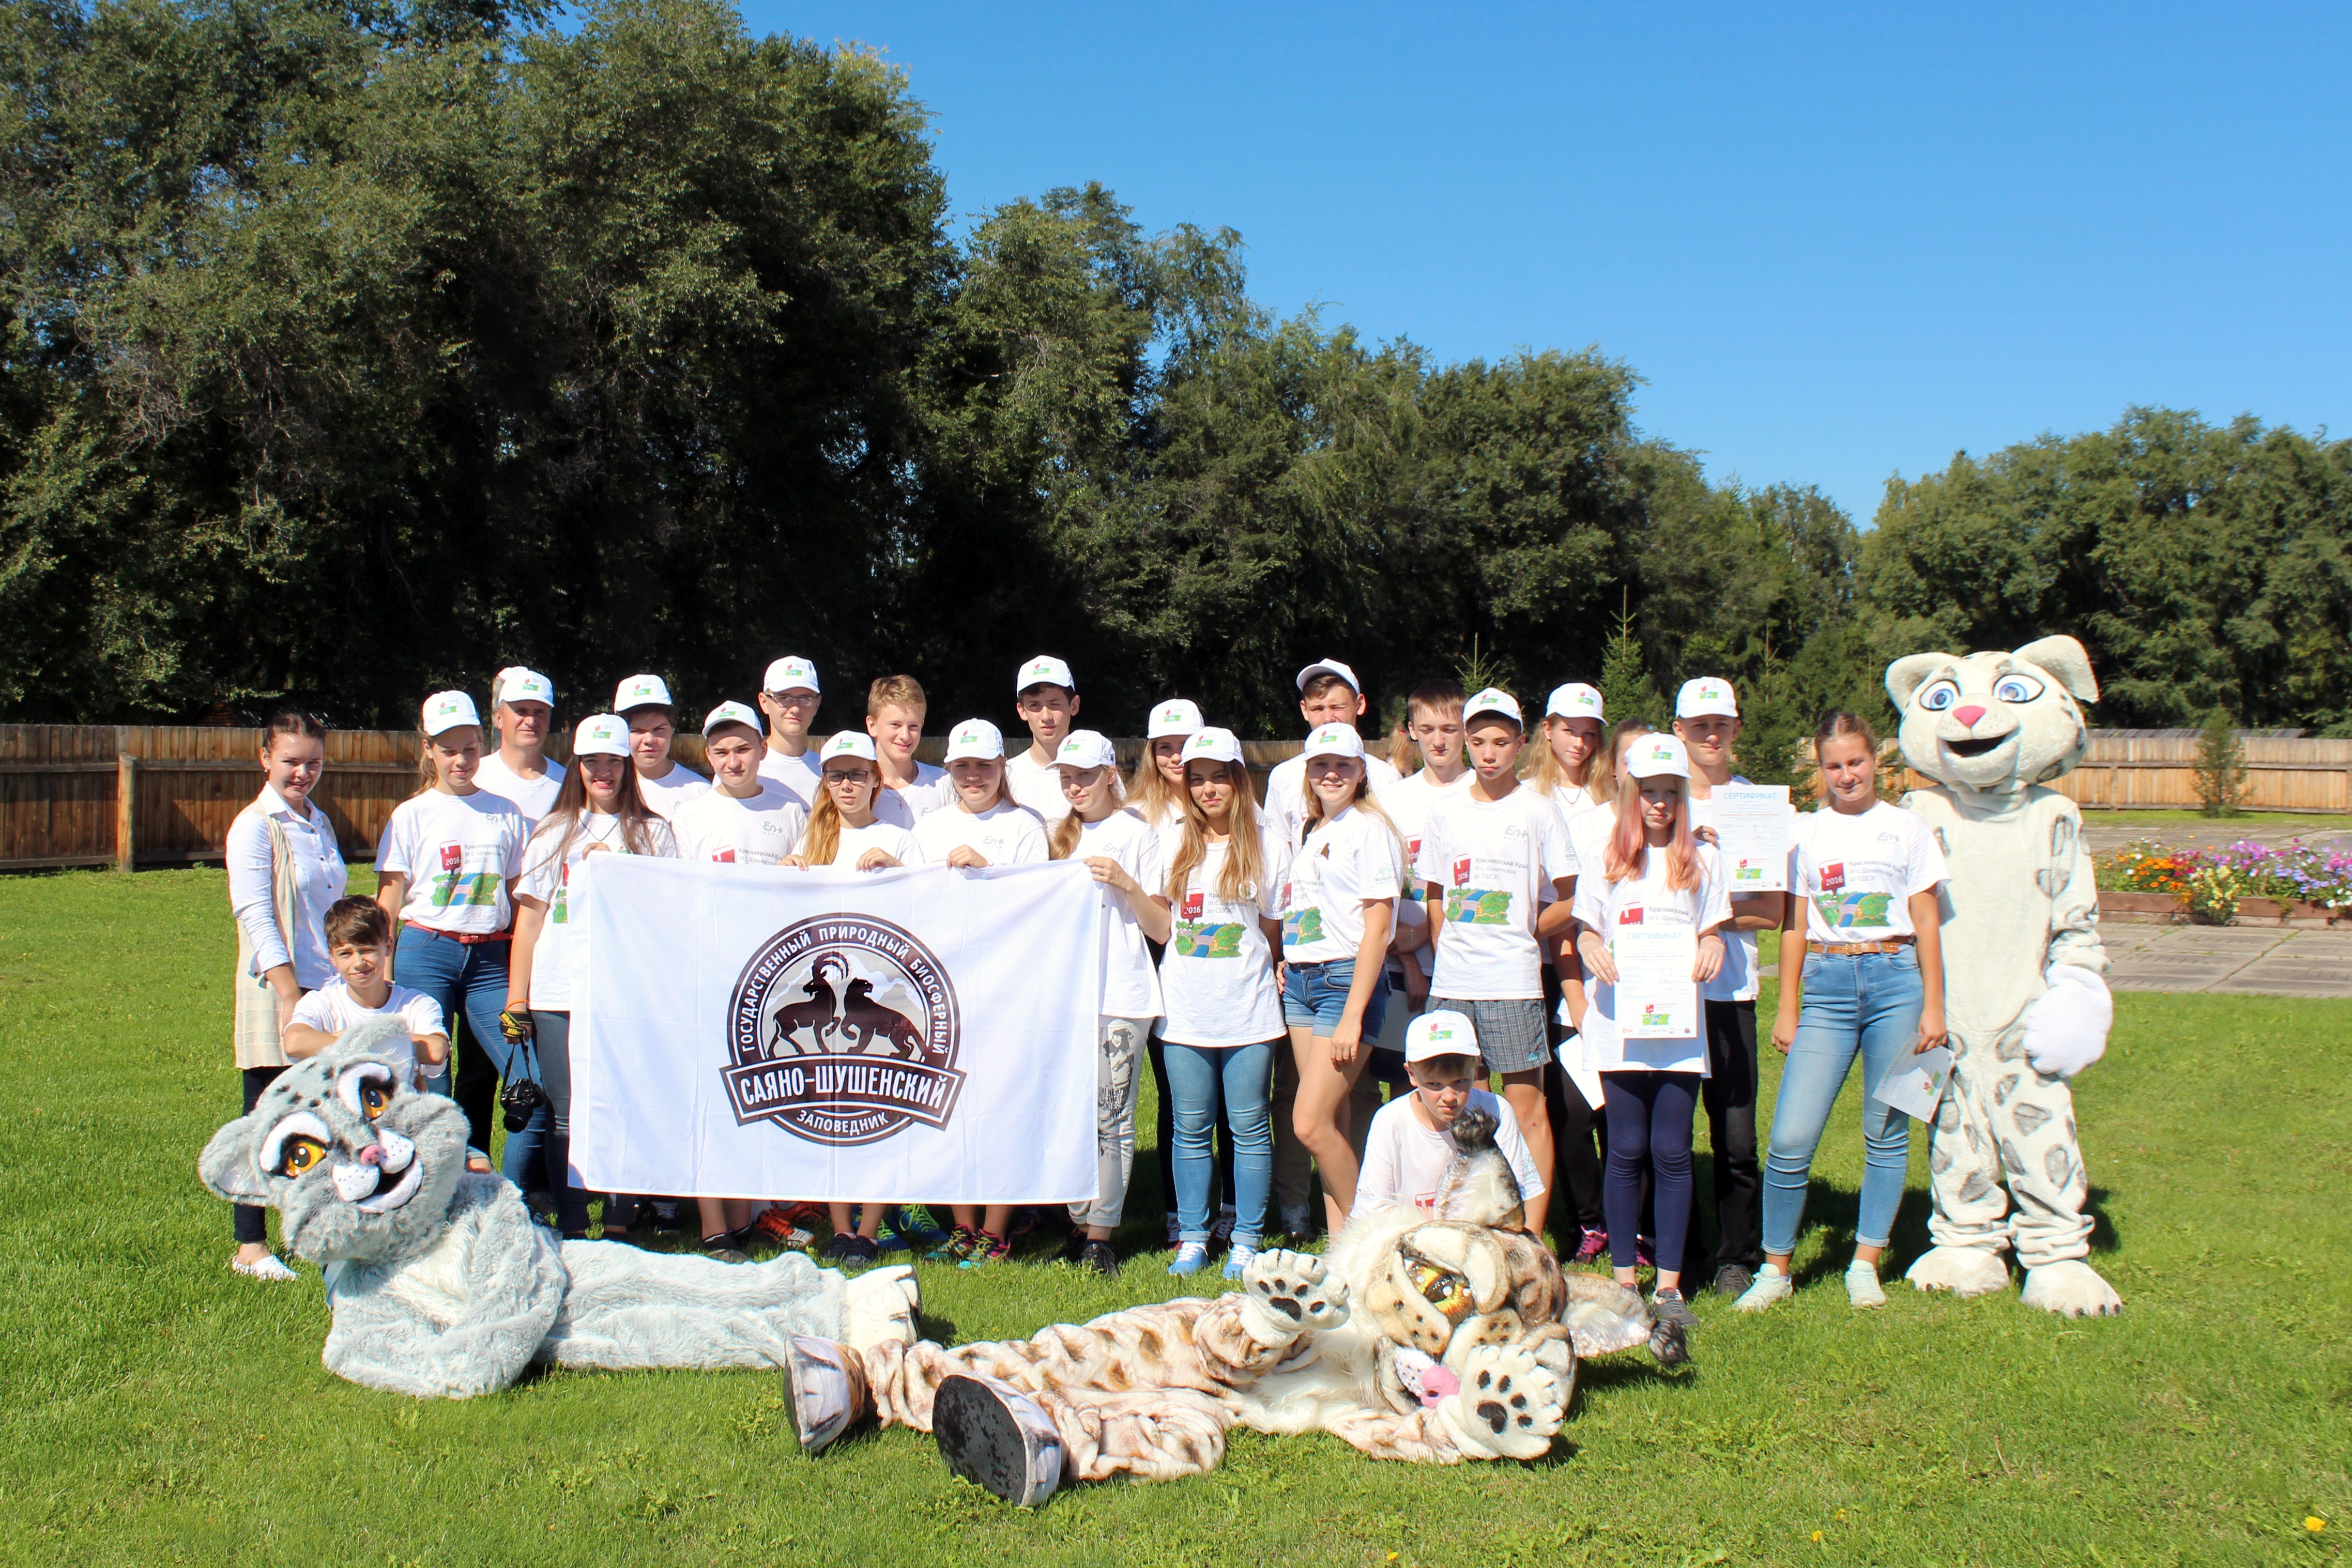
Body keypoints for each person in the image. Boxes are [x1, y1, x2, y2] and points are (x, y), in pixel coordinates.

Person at [1739, 713, 1950, 1313]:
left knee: (1885, 1130)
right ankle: (1774, 1269)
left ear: (1874, 760)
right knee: (1789, 1136)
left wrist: (1932, 1005)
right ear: (1820, 767)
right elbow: (1794, 924)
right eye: (1833, 765)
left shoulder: (1906, 829)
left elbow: (1928, 919)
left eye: (1855, 761)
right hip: (1827, 986)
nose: (1845, 774)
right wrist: (1787, 1007)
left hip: (1896, 982)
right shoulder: (1805, 832)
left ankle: (1865, 1261)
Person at [1568, 733, 1730, 1334]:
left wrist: (1711, 942)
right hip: (1619, 1023)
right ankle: (1620, 1280)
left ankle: (1667, 1285)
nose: (1658, 804)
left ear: (1681, 796)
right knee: (1625, 1149)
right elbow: (1584, 928)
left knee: (1671, 1150)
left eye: (1669, 793)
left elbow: (1714, 927)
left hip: (1678, 1028)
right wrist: (1590, 945)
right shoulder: (1607, 855)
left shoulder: (1700, 861)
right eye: (1648, 793)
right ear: (1630, 794)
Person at [504, 713, 679, 1240]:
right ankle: (575, 1224)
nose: (603, 772)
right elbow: (530, 920)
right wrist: (518, 998)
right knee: (566, 1113)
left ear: (628, 767)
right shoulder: (554, 833)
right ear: (576, 766)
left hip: (627, 993)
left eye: (613, 761)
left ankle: (621, 1222)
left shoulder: (653, 832)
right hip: (560, 992)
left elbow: (667, 919)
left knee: (623, 1105)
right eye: (592, 762)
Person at [1414, 688, 1574, 1239]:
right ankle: (1471, 1226)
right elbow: (1435, 893)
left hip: (1512, 982)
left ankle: (1529, 1233)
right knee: (1460, 1111)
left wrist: (1526, 929)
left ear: (1520, 744)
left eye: (1500, 742)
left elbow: (1569, 898)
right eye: (1477, 740)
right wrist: (1445, 945)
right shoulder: (1444, 810)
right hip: (1454, 984)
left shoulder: (1537, 809)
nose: (1487, 753)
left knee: (1525, 1109)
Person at [910, 718, 1049, 1267]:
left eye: (984, 766)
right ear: (949, 770)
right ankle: (961, 1225)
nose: (973, 776)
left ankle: (997, 1227)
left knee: (1002, 1105)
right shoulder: (929, 826)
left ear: (1001, 768)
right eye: (963, 766)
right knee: (951, 1104)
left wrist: (989, 871)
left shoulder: (1023, 825)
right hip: (943, 985)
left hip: (1006, 986)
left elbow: (1040, 903)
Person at [375, 691, 531, 1180]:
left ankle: (518, 1198)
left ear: (482, 744)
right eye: (448, 750)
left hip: (490, 961)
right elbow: (390, 897)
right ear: (428, 749)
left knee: (526, 1078)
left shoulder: (506, 812)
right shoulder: (411, 814)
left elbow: (520, 896)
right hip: (427, 952)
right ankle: (429, 1191)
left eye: (469, 747)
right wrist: (382, 973)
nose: (461, 760)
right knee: (429, 1077)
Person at [785, 730, 927, 1263]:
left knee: (882, 1109)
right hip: (825, 996)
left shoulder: (901, 838)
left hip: (884, 990)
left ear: (876, 780)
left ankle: (870, 1226)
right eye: (836, 775)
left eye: (857, 774)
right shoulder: (811, 840)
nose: (847, 785)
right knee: (831, 1110)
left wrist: (898, 873)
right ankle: (840, 1227)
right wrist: (786, 877)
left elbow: (928, 907)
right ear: (824, 782)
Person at [1154, 728, 1286, 1279]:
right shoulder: (1171, 840)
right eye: (1198, 778)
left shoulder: (1267, 841)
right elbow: (1162, 924)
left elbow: (1273, 926)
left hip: (1248, 1009)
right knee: (1189, 1125)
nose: (1209, 789)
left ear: (1239, 778)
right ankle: (1192, 1235)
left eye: (1219, 777)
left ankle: (1248, 1238)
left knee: (1248, 1125)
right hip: (1183, 1009)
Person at [224, 709, 348, 1279]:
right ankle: (249, 1244)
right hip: (276, 985)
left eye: (313, 762)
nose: (302, 772)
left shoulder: (317, 820)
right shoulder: (255, 824)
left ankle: (304, 1227)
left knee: (317, 1111)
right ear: (265, 758)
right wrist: (284, 990)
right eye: (291, 761)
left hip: (323, 987)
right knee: (265, 1112)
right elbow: (255, 913)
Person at [1672, 677, 1784, 1299]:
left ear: (1735, 730)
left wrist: (1697, 914)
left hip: (1730, 992)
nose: (1710, 734)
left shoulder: (1754, 805)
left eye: (1721, 724)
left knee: (1735, 1139)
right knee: (1671, 1136)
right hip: (1666, 990)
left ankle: (1735, 1255)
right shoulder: (1658, 800)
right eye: (1698, 724)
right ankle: (1679, 1253)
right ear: (1678, 729)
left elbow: (1767, 908)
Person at [1047, 730, 1169, 1277]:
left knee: (1112, 1115)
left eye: (1085, 775)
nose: (1075, 786)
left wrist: (1125, 882)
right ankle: (1078, 1222)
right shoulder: (1059, 837)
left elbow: (1162, 927)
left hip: (1122, 989)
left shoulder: (1137, 835)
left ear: (1110, 774)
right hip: (1068, 993)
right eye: (1066, 777)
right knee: (1071, 1113)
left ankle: (1102, 1234)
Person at [1279, 721, 1403, 1237]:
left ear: (1360, 773)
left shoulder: (1370, 829)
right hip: (1302, 984)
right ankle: (1340, 1250)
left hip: (1344, 984)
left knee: (1307, 1122)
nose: (1331, 774)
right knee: (1327, 1125)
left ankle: (1370, 1237)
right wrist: (1291, 951)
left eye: (1343, 765)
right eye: (1320, 766)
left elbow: (1378, 929)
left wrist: (1353, 1014)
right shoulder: (1312, 830)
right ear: (1308, 773)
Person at [1125, 697, 1226, 1247]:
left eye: (1182, 747)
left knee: (1224, 1090)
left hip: (1209, 952)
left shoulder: (1218, 803)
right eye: (1163, 747)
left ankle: (1229, 1208)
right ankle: (1176, 1211)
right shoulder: (1134, 807)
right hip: (1150, 950)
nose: (1172, 757)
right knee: (1173, 1090)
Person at [1531, 682, 1611, 1258]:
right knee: (1559, 1103)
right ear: (1547, 730)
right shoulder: (1528, 796)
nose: (1578, 741)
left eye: (1588, 732)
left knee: (1605, 1097)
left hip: (1597, 961)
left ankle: (1618, 1213)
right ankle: (1583, 1218)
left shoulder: (1613, 798)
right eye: (1567, 729)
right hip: (1534, 962)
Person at [1354, 1010, 1546, 1220]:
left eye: (1460, 1082)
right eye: (1434, 1085)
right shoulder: (1390, 1120)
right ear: (1411, 1074)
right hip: (1410, 1238)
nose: (1449, 1097)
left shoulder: (1496, 1111)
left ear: (1476, 1070)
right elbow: (1371, 1210)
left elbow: (1522, 1195)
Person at [283, 896, 448, 1088]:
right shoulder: (320, 1002)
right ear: (332, 958)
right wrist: (392, 1042)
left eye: (367, 950)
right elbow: (295, 1042)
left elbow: (436, 1050)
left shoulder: (416, 1003)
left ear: (388, 947)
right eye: (346, 953)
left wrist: (344, 1039)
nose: (359, 963)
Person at [1261, 657, 1403, 851]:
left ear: (1359, 704)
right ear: (1305, 710)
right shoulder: (1283, 778)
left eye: (1338, 707)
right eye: (1318, 709)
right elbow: (1277, 854)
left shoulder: (1386, 779)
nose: (1328, 718)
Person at [669, 701, 810, 867]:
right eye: (721, 753)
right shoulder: (687, 815)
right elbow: (682, 883)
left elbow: (803, 878)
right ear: (708, 754)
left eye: (743, 750)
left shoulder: (791, 812)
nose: (733, 763)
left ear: (763, 750)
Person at [472, 667, 565, 824]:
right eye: (521, 712)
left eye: (539, 712)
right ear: (499, 718)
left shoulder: (567, 783)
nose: (530, 721)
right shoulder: (474, 777)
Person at [613, 673, 710, 821]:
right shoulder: (607, 789)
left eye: (659, 730)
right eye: (637, 731)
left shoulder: (700, 791)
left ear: (672, 729)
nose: (649, 740)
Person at [865, 674, 950, 830]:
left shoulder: (942, 782)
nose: (905, 736)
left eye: (913, 727)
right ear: (872, 726)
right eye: (895, 725)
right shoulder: (860, 787)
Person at [1005, 654, 1081, 824]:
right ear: (1022, 711)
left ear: (1074, 705)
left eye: (1054, 704)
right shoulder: (1005, 776)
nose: (1046, 716)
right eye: (1035, 705)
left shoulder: (1098, 773)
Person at [755, 655, 824, 806]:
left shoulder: (829, 771)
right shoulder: (745, 769)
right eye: (784, 698)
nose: (795, 709)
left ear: (817, 705)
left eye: (806, 699)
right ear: (764, 702)